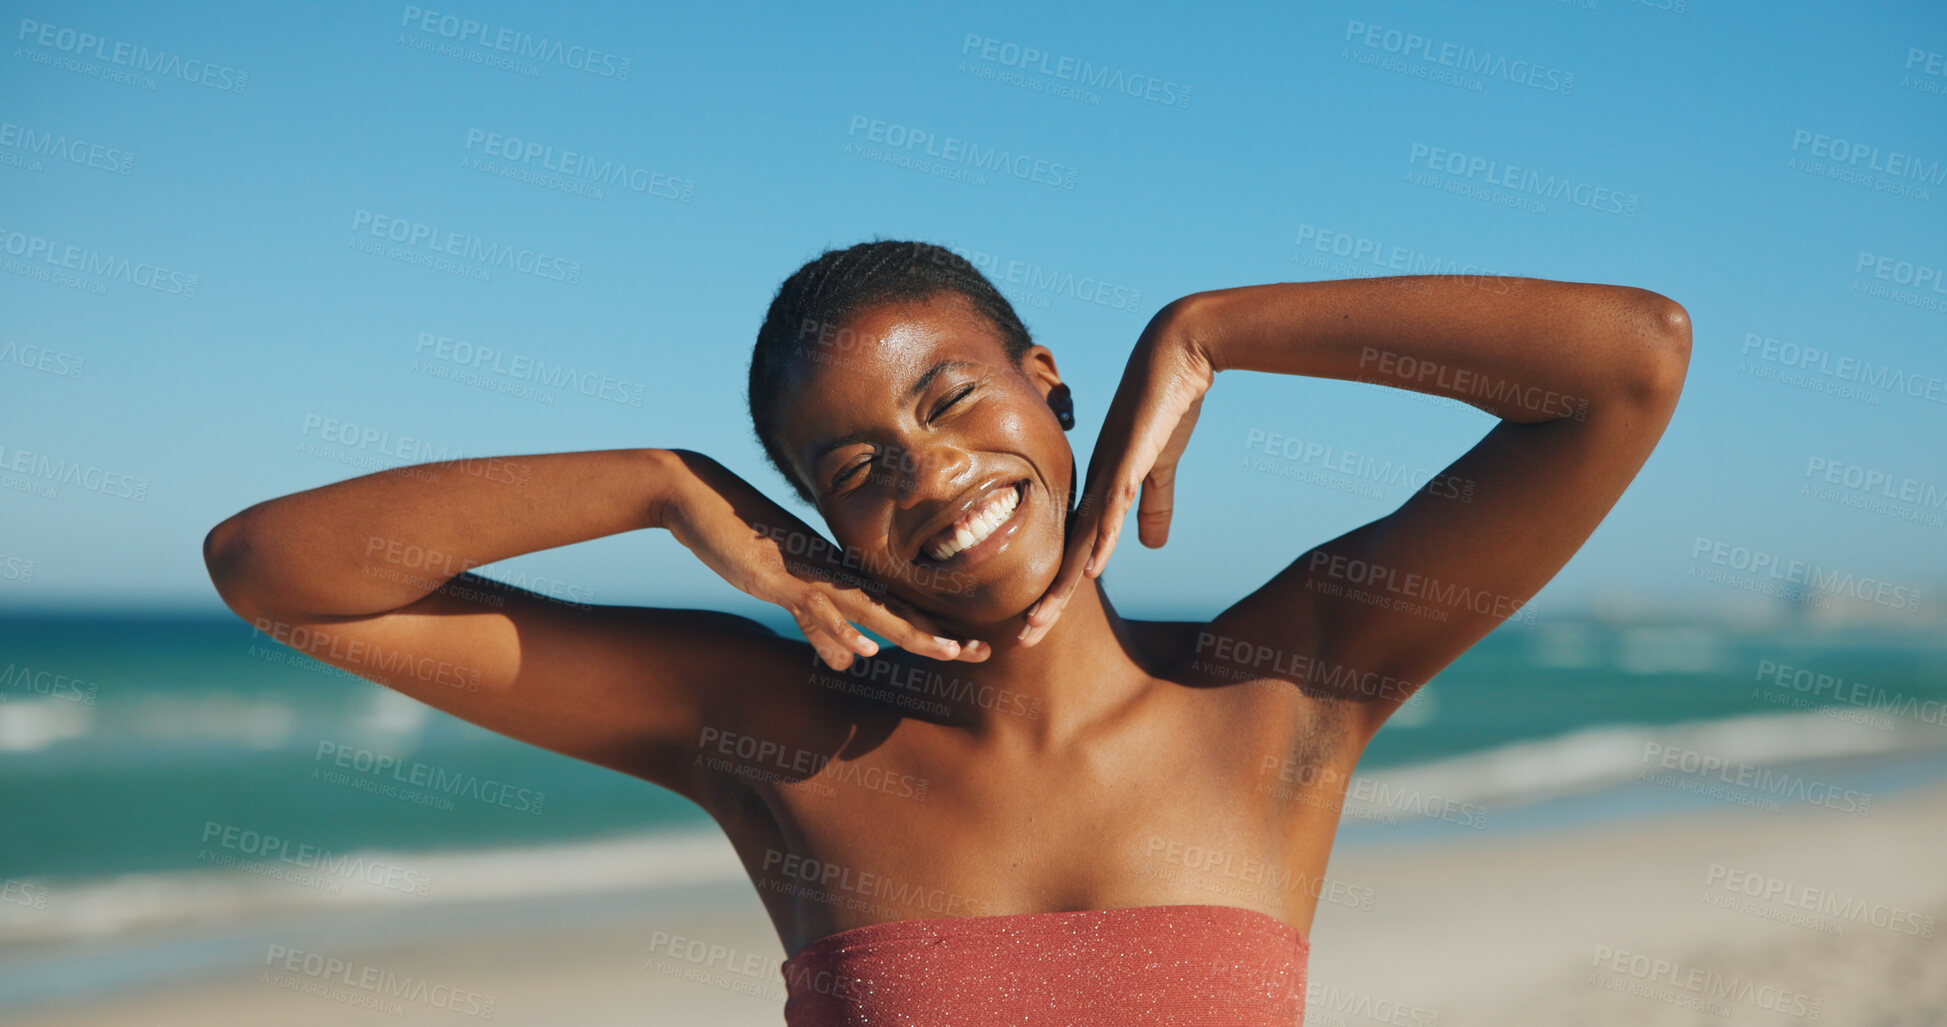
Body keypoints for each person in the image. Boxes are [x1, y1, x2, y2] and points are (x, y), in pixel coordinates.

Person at [203, 239, 1690, 1025]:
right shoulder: (770, 731)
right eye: (856, 471)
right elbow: (279, 570)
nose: (933, 480)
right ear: (813, 525)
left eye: (951, 400)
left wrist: (1211, 331)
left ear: (1048, 382)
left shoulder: (1283, 697)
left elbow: (1628, 365)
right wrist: (661, 489)